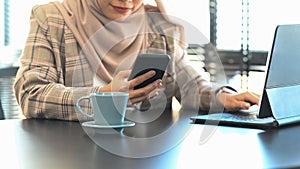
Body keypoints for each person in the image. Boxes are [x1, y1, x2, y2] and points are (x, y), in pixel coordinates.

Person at [13, 0, 259, 121]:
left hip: (144, 157)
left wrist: (220, 96)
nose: (128, 1)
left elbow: (191, 84)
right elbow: (31, 94)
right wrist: (104, 96)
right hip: (71, 156)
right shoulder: (52, 17)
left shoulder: (155, 23)